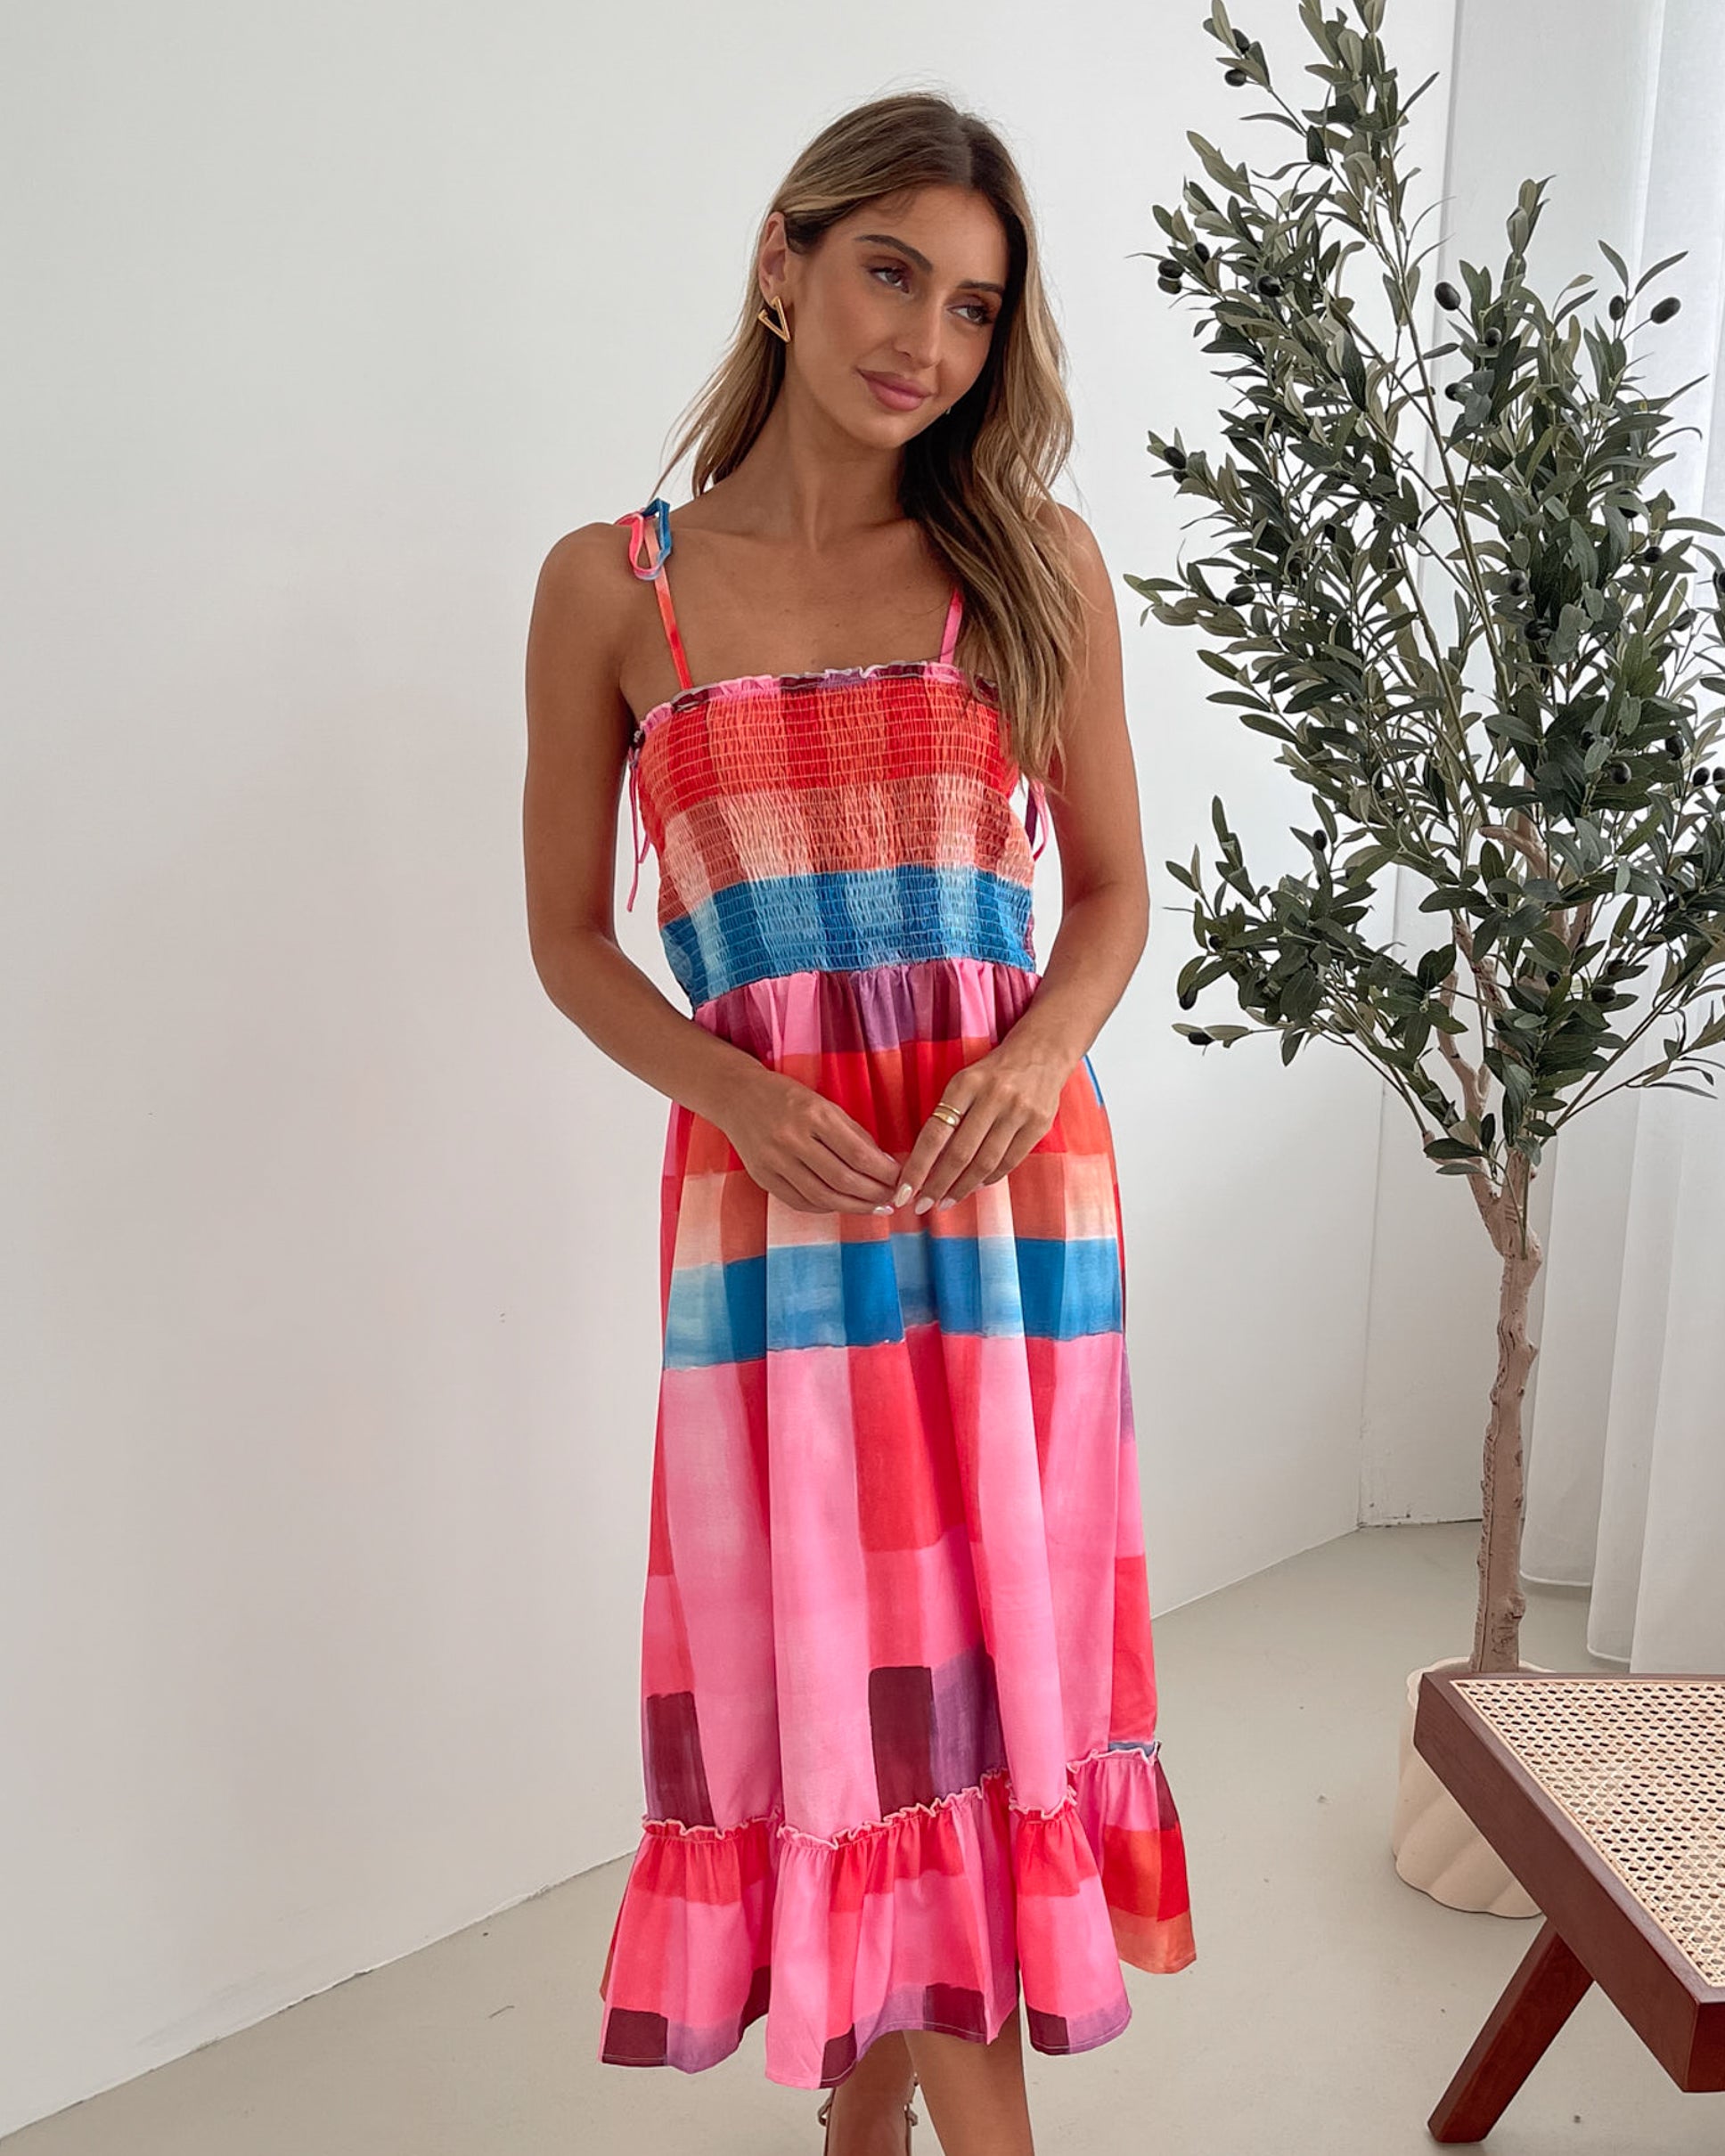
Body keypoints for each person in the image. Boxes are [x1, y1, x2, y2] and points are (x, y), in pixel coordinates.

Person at [522, 87, 1196, 2156]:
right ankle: (862, 2122)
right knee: (840, 1677)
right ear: (782, 258)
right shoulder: (610, 588)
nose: (926, 338)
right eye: (890, 269)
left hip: (1008, 1209)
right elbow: (566, 941)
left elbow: (1106, 898)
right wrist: (732, 1086)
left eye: (977, 308)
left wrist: (1024, 1058)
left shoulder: (1028, 562)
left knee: (973, 1689)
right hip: (772, 1224)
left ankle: (891, 2126)